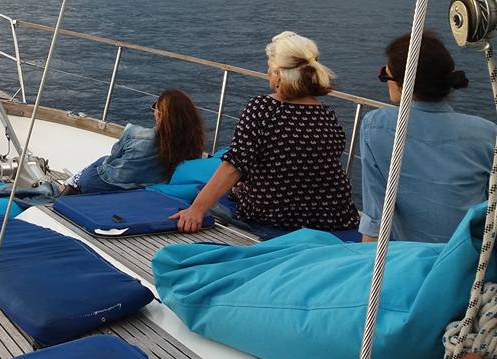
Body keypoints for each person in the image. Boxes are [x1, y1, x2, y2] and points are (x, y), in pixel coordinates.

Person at [172, 31, 359, 233]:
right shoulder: (327, 114)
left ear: (279, 75)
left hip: (277, 214)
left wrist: (196, 210)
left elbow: (234, 165)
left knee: (235, 190)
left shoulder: (263, 107)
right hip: (333, 213)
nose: (267, 73)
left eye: (269, 68)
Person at [358, 32, 496, 243]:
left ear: (402, 83)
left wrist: (366, 261)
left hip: (409, 255)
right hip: (468, 255)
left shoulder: (375, 126)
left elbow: (375, 217)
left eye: (385, 75)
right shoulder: (487, 133)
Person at [63, 88, 205, 195]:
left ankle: (69, 184)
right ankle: (71, 182)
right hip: (146, 187)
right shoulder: (193, 145)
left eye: (155, 107)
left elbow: (113, 158)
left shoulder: (135, 134)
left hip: (105, 184)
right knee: (101, 161)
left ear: (161, 114)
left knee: (96, 167)